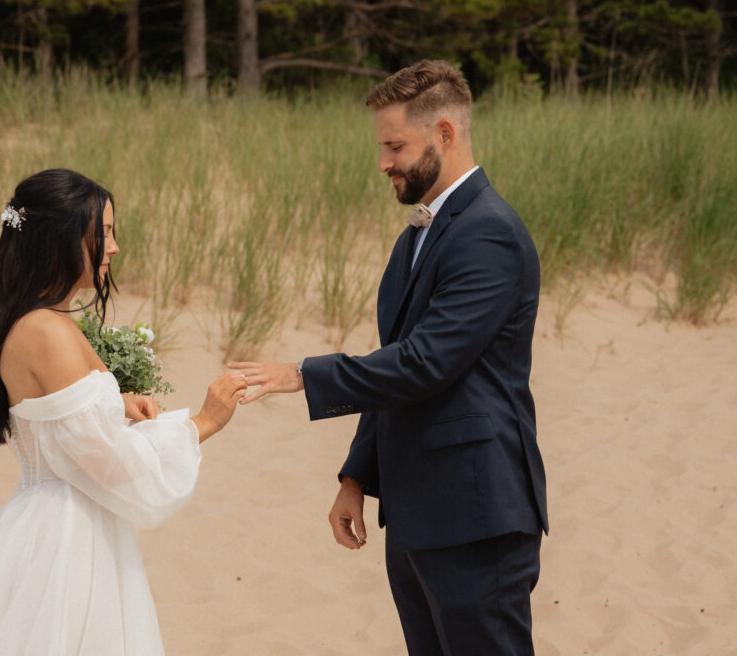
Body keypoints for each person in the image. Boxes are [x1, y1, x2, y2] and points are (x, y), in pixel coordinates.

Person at [229, 60, 548, 656]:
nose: (383, 162)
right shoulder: (418, 235)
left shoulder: (489, 233)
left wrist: (301, 375)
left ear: (445, 134)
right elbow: (395, 360)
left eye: (395, 145)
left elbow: (424, 364)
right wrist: (357, 475)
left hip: (476, 513)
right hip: (415, 512)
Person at [0, 168, 247, 656]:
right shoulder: (46, 330)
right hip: (66, 540)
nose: (113, 247)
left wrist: (115, 403)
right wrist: (203, 422)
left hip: (58, 524)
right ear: (62, 239)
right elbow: (110, 466)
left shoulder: (37, 320)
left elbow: (55, 420)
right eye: (105, 234)